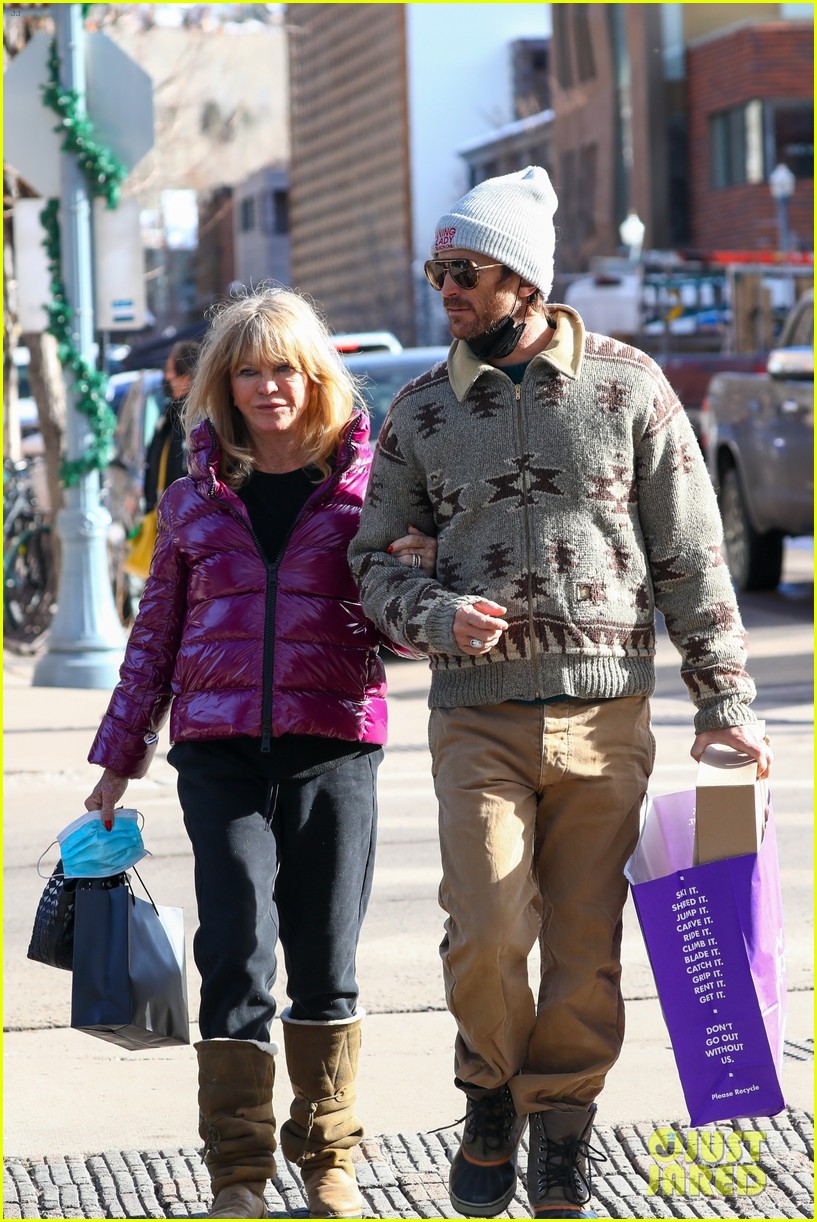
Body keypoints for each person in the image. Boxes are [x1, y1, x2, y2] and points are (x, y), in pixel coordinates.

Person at [348, 167, 773, 1220]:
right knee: (487, 925)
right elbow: (369, 566)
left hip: (607, 714)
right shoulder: (417, 412)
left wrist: (725, 706)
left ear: (525, 281)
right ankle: (487, 1087)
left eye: (467, 270)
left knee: (585, 948)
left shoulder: (630, 388)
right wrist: (437, 614)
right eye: (438, 269)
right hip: (477, 716)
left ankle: (564, 1132)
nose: (446, 287)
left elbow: (691, 556)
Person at [84, 287, 435, 1221]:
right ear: (222, 385)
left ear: (314, 375)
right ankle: (237, 1173)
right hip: (220, 756)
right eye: (248, 370)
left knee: (326, 956)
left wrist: (420, 574)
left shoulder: (368, 493)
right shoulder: (193, 503)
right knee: (236, 949)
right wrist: (118, 759)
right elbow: (153, 639)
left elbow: (401, 640)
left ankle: (329, 1163)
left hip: (334, 749)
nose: (268, 386)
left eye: (284, 367)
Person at [142, 339, 200, 513]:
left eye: (170, 370)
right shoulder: (172, 414)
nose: (166, 377)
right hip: (169, 517)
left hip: (182, 519)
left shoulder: (194, 418)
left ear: (186, 375)